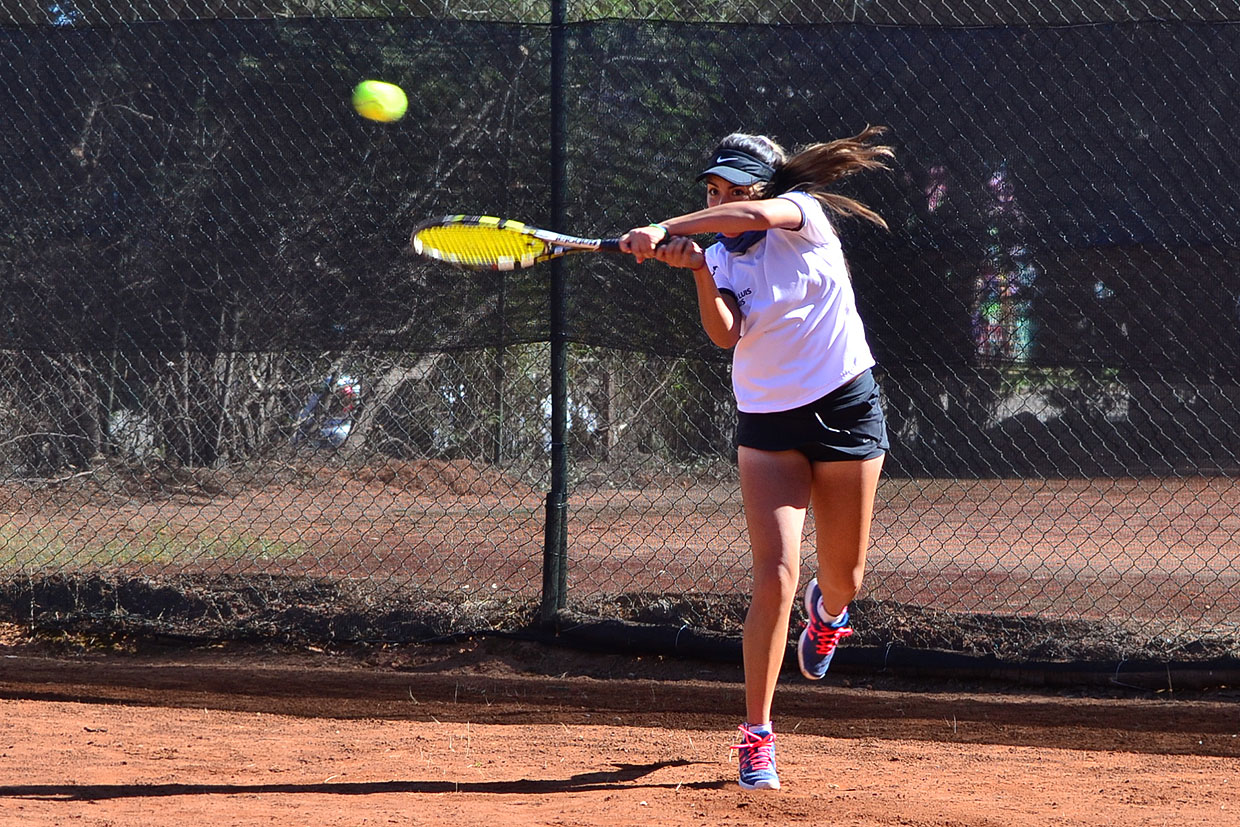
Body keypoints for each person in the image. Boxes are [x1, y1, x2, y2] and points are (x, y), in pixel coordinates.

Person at [619, 126, 892, 791]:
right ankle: (757, 735)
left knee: (845, 574)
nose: (723, 198)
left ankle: (828, 614)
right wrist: (698, 272)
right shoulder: (722, 257)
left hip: (847, 409)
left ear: (766, 190)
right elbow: (727, 333)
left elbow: (750, 216)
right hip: (768, 424)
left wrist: (662, 225)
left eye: (734, 187)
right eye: (713, 187)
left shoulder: (804, 219)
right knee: (772, 575)